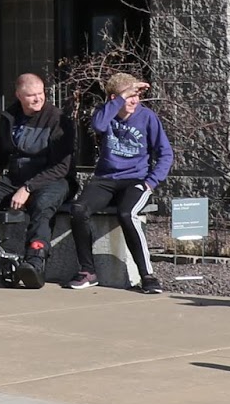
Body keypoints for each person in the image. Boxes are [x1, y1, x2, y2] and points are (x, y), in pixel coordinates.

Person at [0, 73, 71, 284]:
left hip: (51, 180)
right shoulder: (9, 117)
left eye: (41, 93)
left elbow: (61, 167)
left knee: (42, 204)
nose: (38, 99)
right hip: (15, 178)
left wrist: (28, 188)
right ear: (19, 95)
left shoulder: (58, 119)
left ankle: (34, 262)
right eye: (31, 95)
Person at [68, 72, 173, 293]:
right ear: (114, 98)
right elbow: (98, 126)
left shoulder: (147, 117)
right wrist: (119, 99)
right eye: (129, 96)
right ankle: (88, 272)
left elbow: (165, 153)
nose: (134, 100)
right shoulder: (105, 114)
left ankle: (147, 276)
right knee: (78, 209)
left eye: (137, 95)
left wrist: (151, 182)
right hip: (106, 179)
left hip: (136, 180)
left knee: (127, 214)